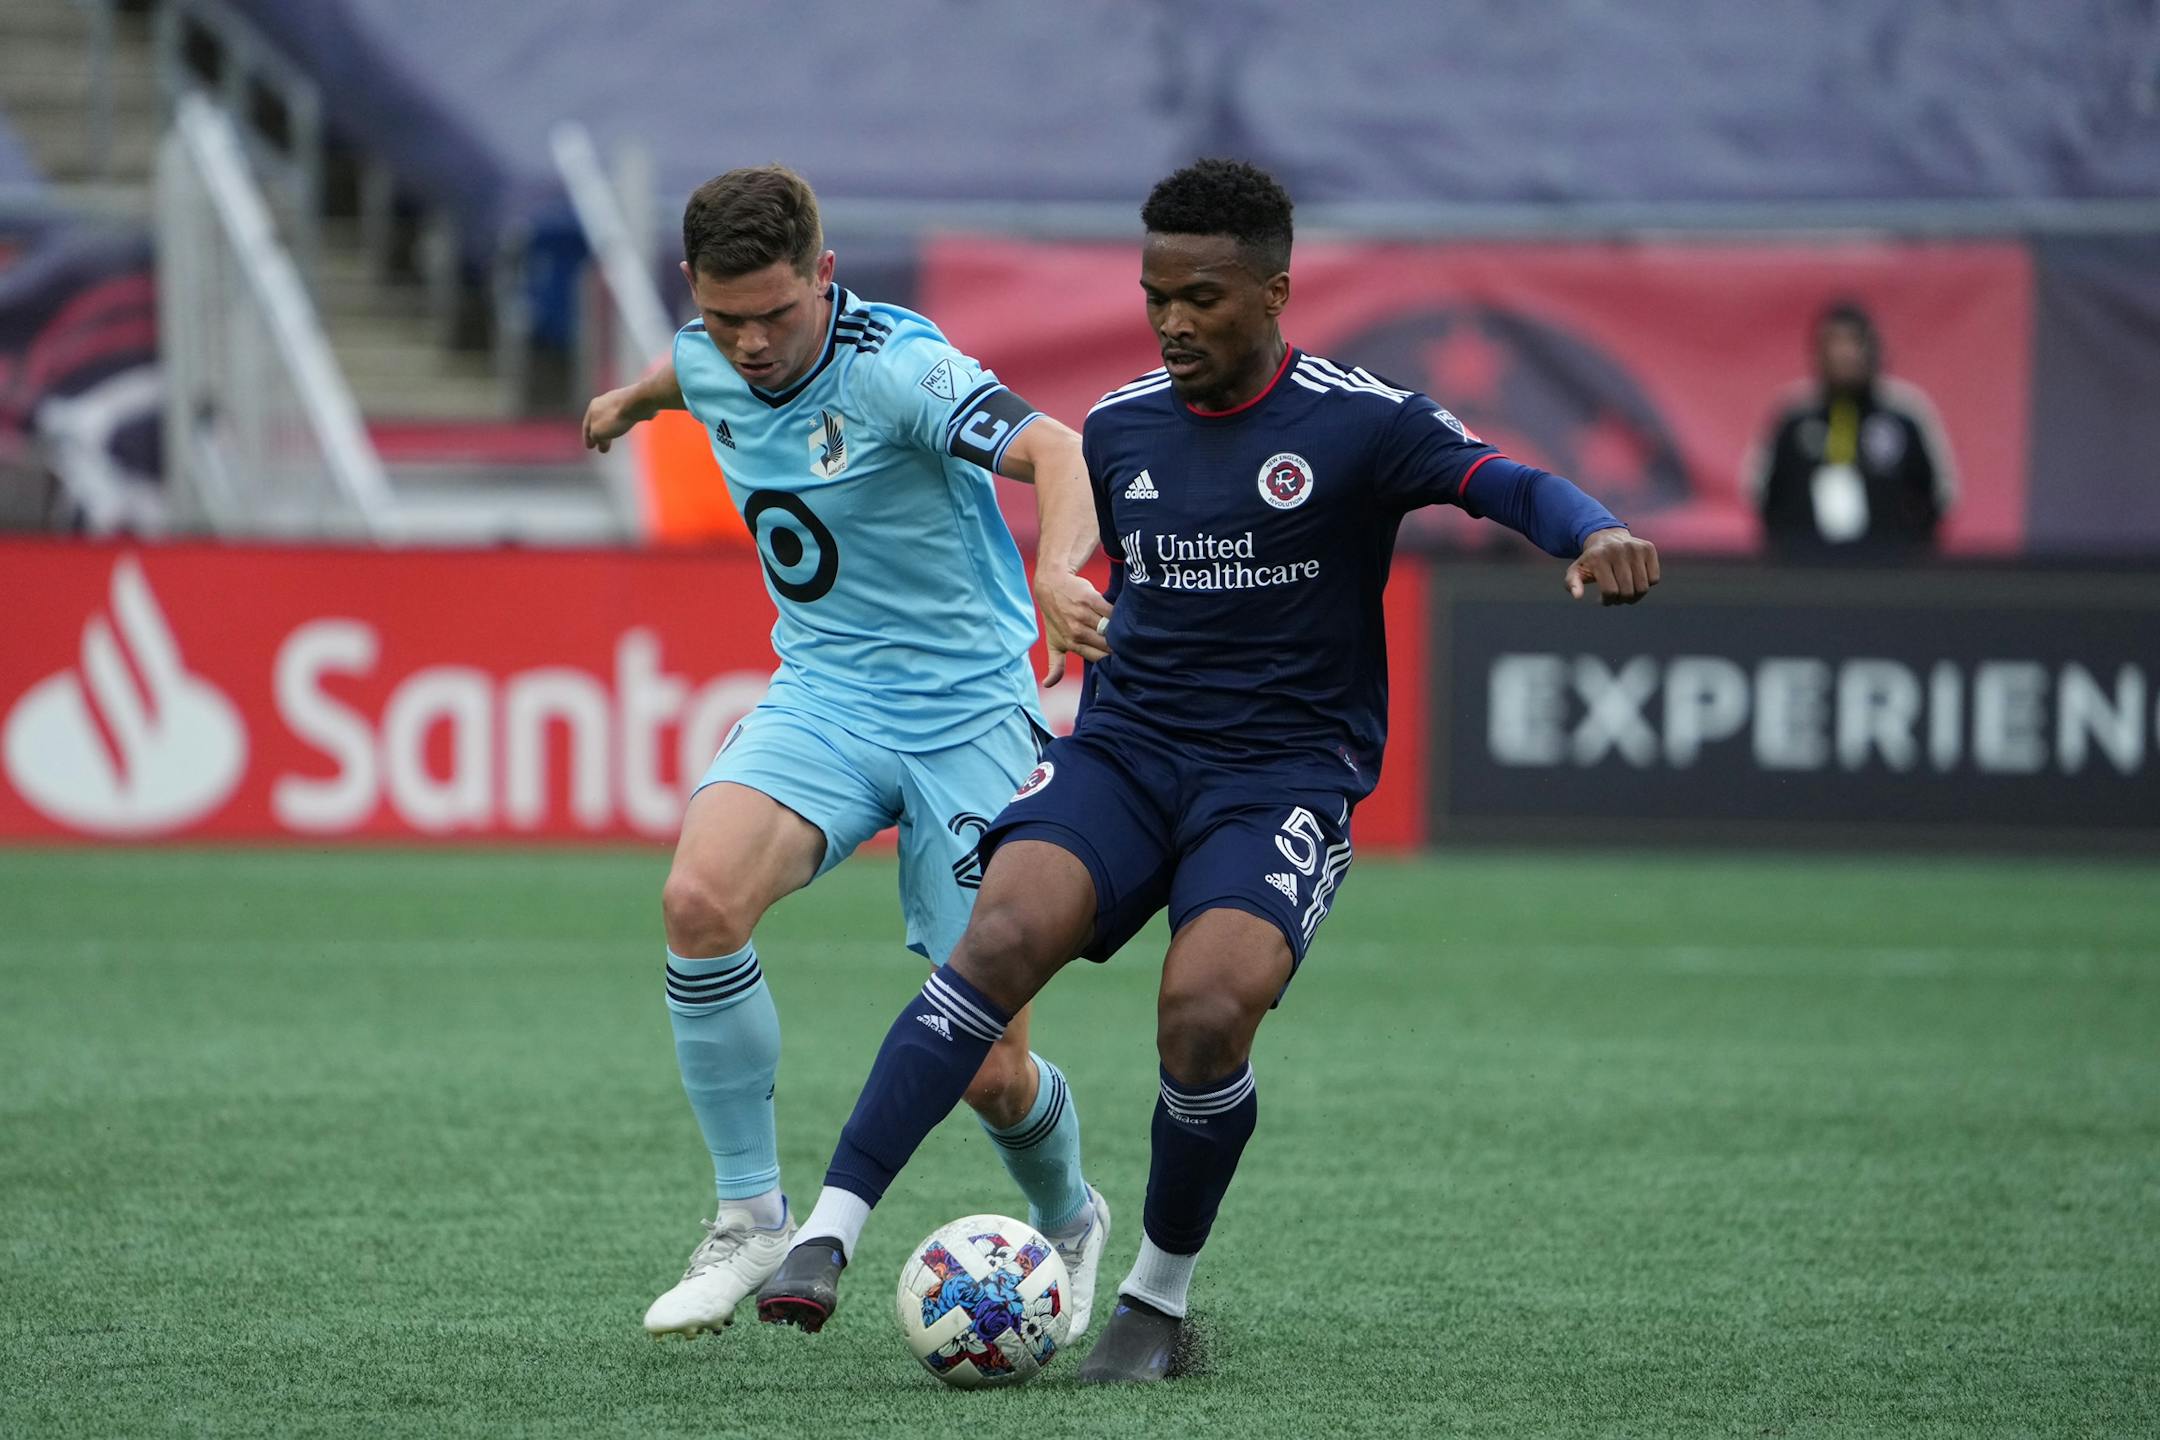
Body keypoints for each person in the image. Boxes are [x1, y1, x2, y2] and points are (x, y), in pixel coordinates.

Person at [752, 158, 1661, 1377]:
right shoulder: (1124, 425)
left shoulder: (1360, 421)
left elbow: (1503, 480)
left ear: (1276, 292)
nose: (1174, 320)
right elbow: (1086, 543)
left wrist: (1594, 528)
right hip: (1128, 755)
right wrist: (1068, 591)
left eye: (1205, 298)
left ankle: (1155, 1305)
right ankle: (828, 1232)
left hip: (1279, 778)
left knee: (1206, 1011)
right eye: (1154, 295)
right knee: (1002, 935)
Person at [581, 165, 1115, 1340]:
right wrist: (628, 402)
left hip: (972, 711)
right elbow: (686, 375)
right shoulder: (710, 348)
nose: (755, 344)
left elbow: (1062, 451)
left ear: (825, 275)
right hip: (826, 694)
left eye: (777, 313)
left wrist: (1060, 567)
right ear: (696, 294)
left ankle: (1070, 1218)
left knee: (990, 1067)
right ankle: (748, 1218)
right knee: (699, 900)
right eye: (729, 318)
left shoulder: (894, 368)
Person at [1747, 300, 1958, 559]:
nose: (1844, 353)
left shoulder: (1905, 415)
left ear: (1874, 349)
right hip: (1804, 571)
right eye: (1834, 343)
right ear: (1817, 352)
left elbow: (1940, 494)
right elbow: (1760, 493)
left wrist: (1910, 546)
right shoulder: (1793, 417)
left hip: (1890, 572)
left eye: (1854, 342)